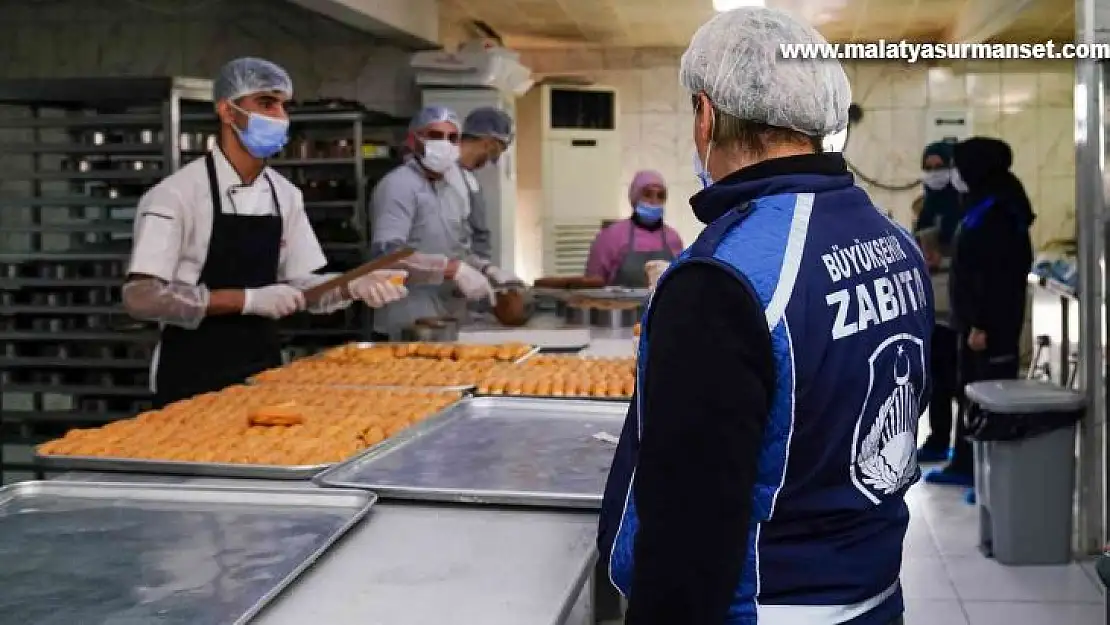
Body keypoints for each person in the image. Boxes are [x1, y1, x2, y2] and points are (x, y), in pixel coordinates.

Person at [597, 8, 932, 625]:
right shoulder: (893, 243)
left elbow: (688, 531)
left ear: (707, 115)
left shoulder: (723, 277)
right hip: (873, 597)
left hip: (766, 609)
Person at [123, 57, 408, 408]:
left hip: (262, 373)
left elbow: (302, 287)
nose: (279, 117)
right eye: (265, 103)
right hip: (190, 374)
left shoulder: (284, 194)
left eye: (283, 106)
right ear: (228, 112)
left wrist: (350, 285)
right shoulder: (177, 194)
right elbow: (142, 297)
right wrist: (247, 300)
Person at [924, 137, 1034, 492]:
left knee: (992, 393)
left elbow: (997, 275)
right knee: (970, 390)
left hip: (990, 326)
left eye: (958, 165)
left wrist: (981, 324)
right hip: (973, 322)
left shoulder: (999, 211)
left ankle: (990, 475)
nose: (954, 173)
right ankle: (967, 463)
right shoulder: (983, 204)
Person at [369, 106, 515, 339]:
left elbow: (454, 248)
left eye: (452, 138)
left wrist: (484, 269)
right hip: (408, 319)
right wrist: (452, 270)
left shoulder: (449, 190)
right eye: (435, 136)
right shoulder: (398, 186)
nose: (444, 143)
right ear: (413, 140)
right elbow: (387, 255)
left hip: (444, 317)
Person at [914, 141, 964, 463]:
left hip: (955, 300)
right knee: (936, 377)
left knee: (955, 377)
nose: (933, 173)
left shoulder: (960, 204)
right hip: (932, 299)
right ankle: (937, 437)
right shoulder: (926, 203)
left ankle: (962, 447)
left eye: (939, 166)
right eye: (928, 167)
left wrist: (942, 254)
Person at [585, 170, 684, 287]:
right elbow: (593, 283)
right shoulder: (611, 236)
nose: (654, 201)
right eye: (647, 194)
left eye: (660, 196)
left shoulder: (673, 238)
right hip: (618, 304)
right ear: (635, 197)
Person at [457, 106, 516, 271]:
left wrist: (484, 268)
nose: (493, 159)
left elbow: (478, 232)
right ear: (489, 143)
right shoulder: (446, 177)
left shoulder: (470, 179)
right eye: (497, 151)